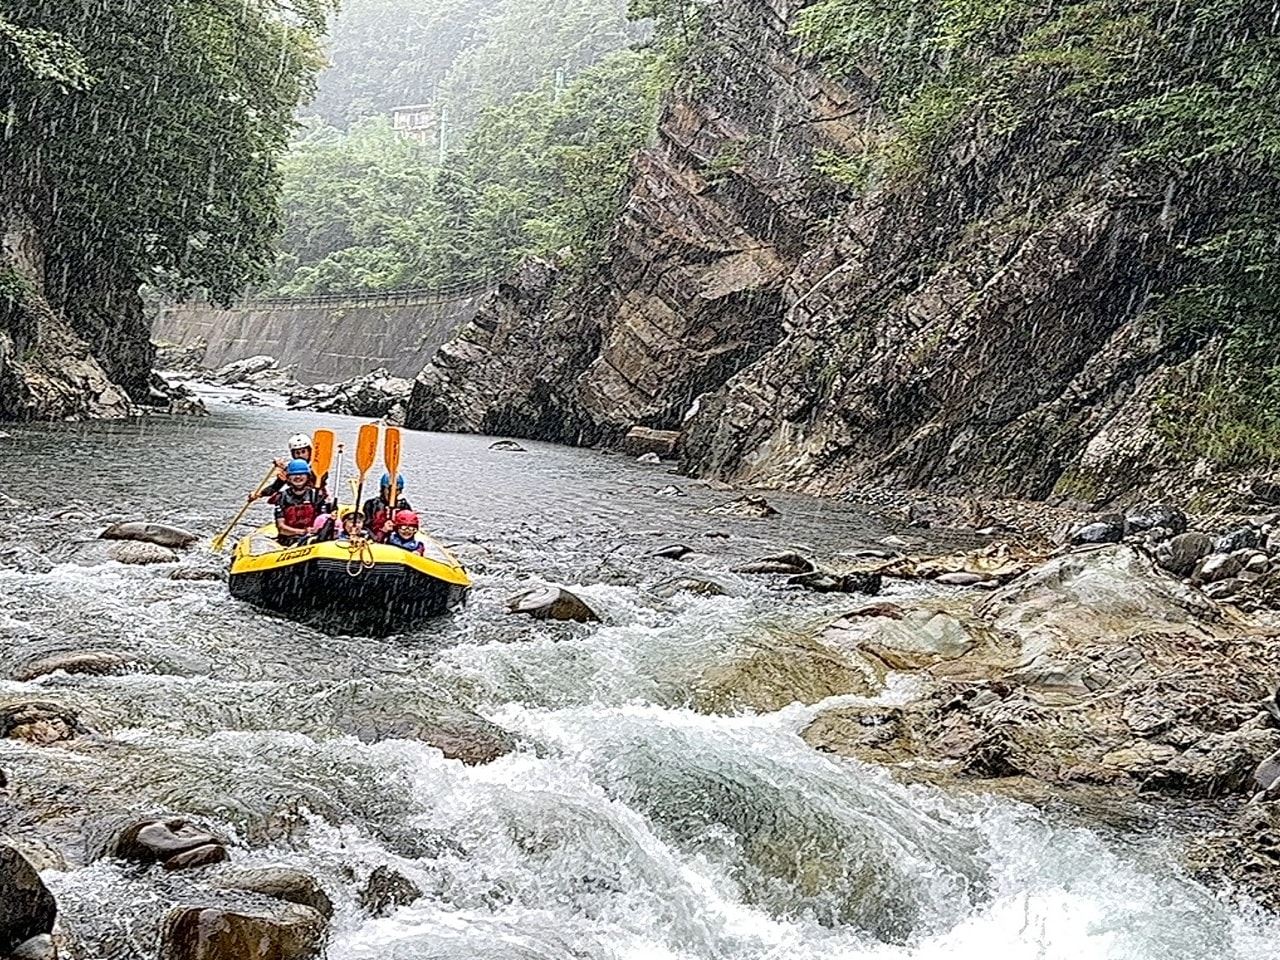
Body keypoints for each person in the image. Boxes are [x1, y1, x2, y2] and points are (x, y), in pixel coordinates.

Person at [273, 458, 328, 545]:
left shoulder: (317, 496)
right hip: (288, 540)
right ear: (288, 478)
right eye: (294, 474)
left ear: (307, 476)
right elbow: (281, 528)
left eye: (301, 474)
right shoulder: (282, 497)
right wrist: (303, 531)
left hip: (312, 539)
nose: (298, 477)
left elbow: (323, 522)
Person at [249, 433, 315, 503]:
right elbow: (274, 487)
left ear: (309, 452)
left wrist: (285, 468)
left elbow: (318, 479)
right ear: (293, 454)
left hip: (314, 500)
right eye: (297, 453)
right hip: (296, 500)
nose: (301, 455)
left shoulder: (316, 468)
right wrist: (259, 494)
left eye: (303, 452)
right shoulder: (288, 471)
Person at [361, 473, 411, 542]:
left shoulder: (404, 506)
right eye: (390, 490)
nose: (393, 493)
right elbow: (365, 527)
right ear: (383, 489)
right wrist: (382, 532)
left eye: (397, 490)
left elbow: (410, 527)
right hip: (375, 540)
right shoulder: (372, 504)